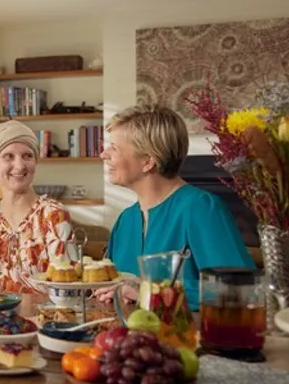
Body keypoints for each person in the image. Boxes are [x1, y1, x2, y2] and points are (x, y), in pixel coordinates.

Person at [94, 104, 255, 310]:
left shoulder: (201, 208)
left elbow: (238, 291)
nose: (103, 155)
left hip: (189, 338)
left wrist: (150, 292)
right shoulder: (126, 220)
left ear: (148, 161)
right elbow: (117, 287)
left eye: (114, 148)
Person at [0, 120, 75, 294]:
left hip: (45, 319)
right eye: (8, 156)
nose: (20, 166)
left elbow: (66, 287)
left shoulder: (53, 215)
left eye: (27, 156)